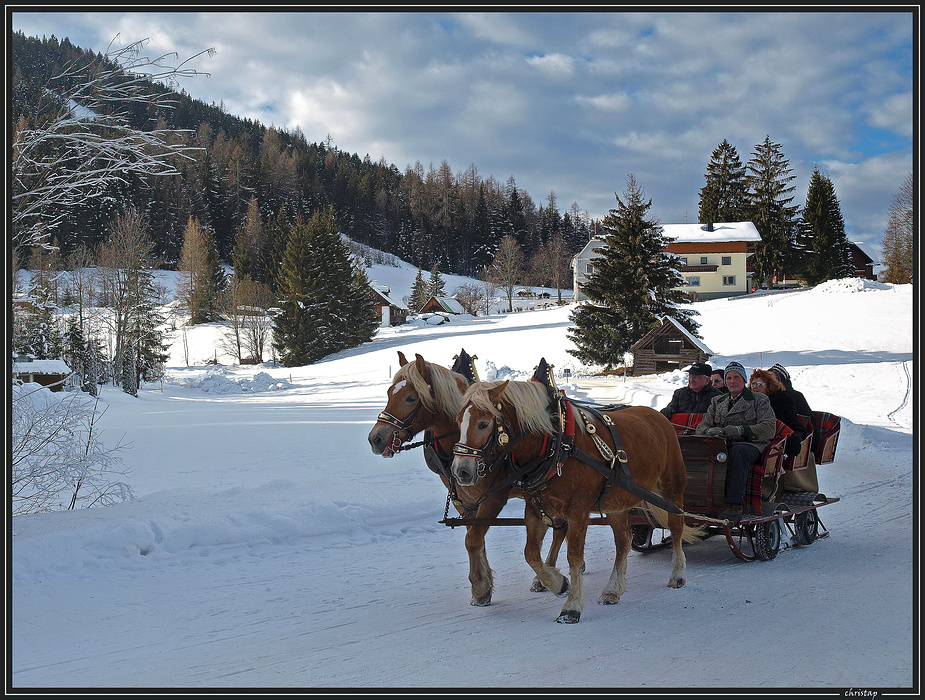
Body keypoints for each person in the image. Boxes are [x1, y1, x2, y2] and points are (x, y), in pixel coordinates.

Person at [695, 361, 776, 523]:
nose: (732, 381)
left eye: (736, 377)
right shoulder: (717, 401)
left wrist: (740, 430)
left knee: (738, 452)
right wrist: (709, 431)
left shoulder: (759, 400)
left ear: (744, 380)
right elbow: (702, 426)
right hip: (721, 445)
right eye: (729, 378)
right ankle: (699, 500)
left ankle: (734, 505)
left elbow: (769, 428)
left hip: (752, 446)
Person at [749, 369, 805, 456]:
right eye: (753, 383)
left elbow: (795, 425)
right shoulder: (748, 401)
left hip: (773, 445)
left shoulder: (782, 401)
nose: (755, 387)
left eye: (760, 384)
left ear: (769, 386)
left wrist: (795, 437)